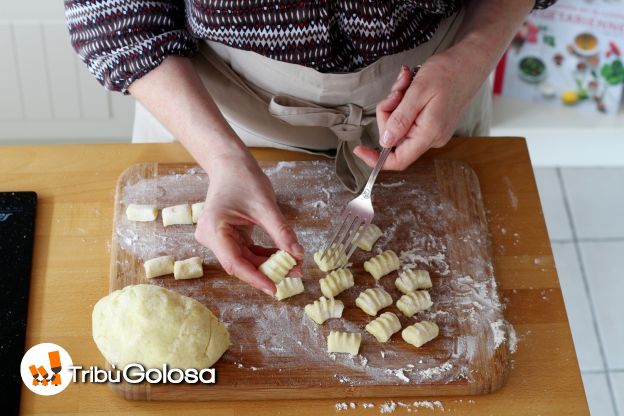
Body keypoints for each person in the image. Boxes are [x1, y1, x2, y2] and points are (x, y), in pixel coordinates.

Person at [65, 0, 554, 296]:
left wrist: (472, 56)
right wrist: (223, 160)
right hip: (208, 107)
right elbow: (112, 11)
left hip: (437, 84)